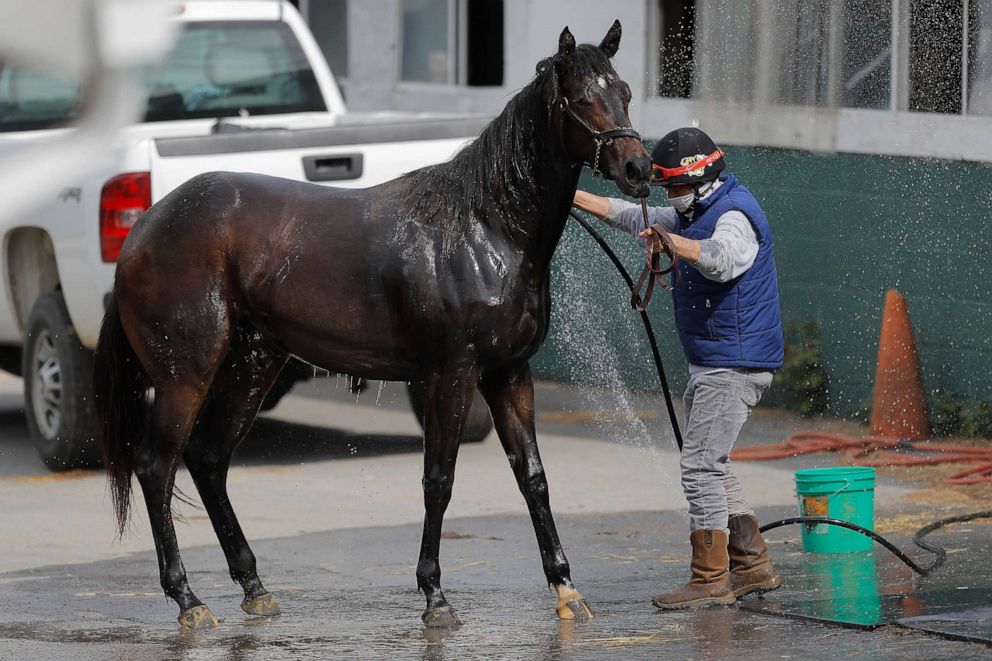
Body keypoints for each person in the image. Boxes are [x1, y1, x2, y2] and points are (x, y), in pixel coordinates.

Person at [572, 127, 784, 610]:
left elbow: (722, 259)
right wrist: (572, 195)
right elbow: (630, 215)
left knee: (700, 467)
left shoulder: (734, 215)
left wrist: (672, 243)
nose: (671, 197)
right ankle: (752, 567)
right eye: (666, 190)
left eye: (676, 188)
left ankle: (710, 579)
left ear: (702, 178)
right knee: (714, 463)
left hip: (734, 364)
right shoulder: (698, 209)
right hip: (718, 361)